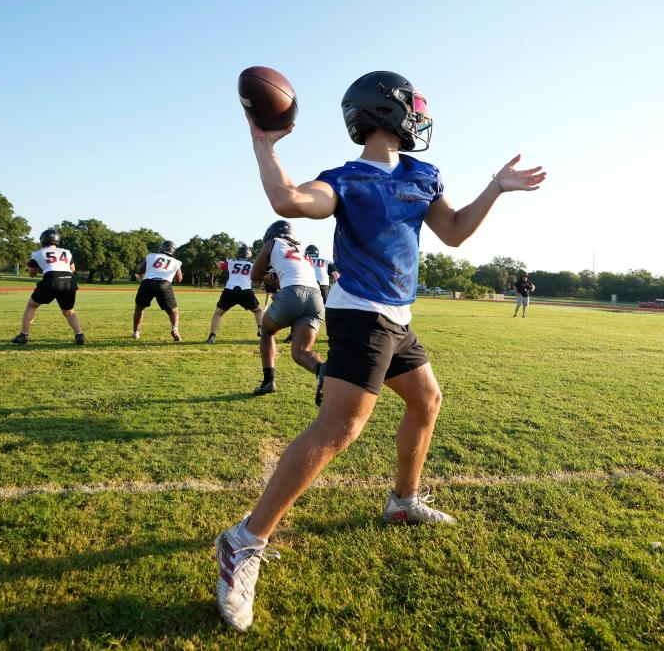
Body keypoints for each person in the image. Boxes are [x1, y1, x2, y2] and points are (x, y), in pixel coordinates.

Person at [214, 70, 546, 632]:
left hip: (397, 317)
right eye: (413, 104)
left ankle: (402, 500)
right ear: (388, 109)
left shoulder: (423, 174)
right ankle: (243, 541)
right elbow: (289, 200)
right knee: (339, 429)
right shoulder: (344, 179)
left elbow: (457, 232)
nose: (421, 113)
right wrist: (263, 145)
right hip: (359, 314)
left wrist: (495, 186)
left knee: (427, 401)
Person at [249, 220, 325, 397]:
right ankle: (323, 371)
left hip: (293, 294)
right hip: (316, 298)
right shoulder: (302, 252)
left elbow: (254, 276)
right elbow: (293, 273)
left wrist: (266, 278)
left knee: (266, 332)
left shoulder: (273, 243)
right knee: (301, 352)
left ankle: (268, 381)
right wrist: (274, 279)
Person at [11, 228, 85, 345]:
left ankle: (24, 335)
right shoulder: (66, 252)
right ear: (57, 240)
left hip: (52, 279)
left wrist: (33, 266)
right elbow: (73, 269)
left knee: (32, 305)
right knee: (69, 312)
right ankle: (79, 335)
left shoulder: (37, 254)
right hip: (69, 281)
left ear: (43, 240)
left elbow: (32, 274)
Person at [207, 244, 264, 342]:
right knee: (258, 311)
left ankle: (212, 336)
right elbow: (257, 279)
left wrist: (225, 260)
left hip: (230, 290)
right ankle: (260, 328)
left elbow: (218, 264)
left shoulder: (231, 263)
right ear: (248, 255)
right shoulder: (252, 265)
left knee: (218, 314)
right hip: (246, 290)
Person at [132, 240, 184, 341]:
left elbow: (139, 271)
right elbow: (179, 279)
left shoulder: (151, 256)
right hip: (164, 284)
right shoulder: (176, 262)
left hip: (147, 283)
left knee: (139, 308)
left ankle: (136, 332)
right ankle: (175, 329)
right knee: (173, 311)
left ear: (161, 248)